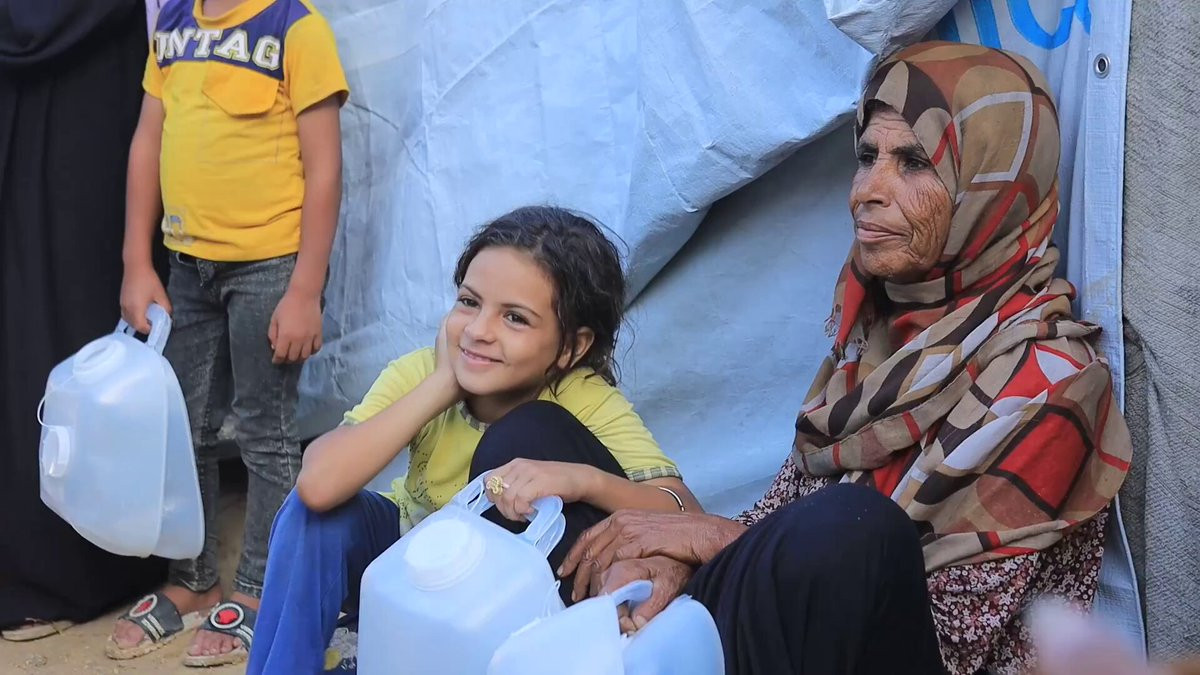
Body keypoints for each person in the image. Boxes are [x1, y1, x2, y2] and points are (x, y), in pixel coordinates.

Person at [560, 42, 1132, 675]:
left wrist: (709, 543)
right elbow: (778, 522)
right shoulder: (883, 332)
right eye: (866, 157)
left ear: (992, 188)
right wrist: (672, 562)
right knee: (541, 440)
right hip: (806, 630)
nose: (867, 191)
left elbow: (951, 640)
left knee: (859, 524)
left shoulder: (1051, 384)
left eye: (913, 162)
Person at [247, 206, 703, 674]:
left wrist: (583, 479)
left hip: (497, 598)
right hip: (407, 565)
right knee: (314, 518)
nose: (479, 331)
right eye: (469, 302)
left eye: (515, 318)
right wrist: (444, 385)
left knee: (528, 431)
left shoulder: (580, 397)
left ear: (571, 347)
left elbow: (684, 513)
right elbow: (317, 485)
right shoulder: (422, 372)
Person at [107, 0, 349, 667]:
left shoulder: (296, 28)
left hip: (271, 268)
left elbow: (325, 167)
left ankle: (258, 589)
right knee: (181, 427)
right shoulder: (174, 22)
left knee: (265, 431)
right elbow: (148, 140)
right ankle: (193, 580)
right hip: (186, 265)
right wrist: (136, 262)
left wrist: (305, 290)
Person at [0, 0, 168, 642]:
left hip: (88, 118)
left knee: (69, 333)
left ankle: (78, 555)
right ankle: (88, 553)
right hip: (91, 110)